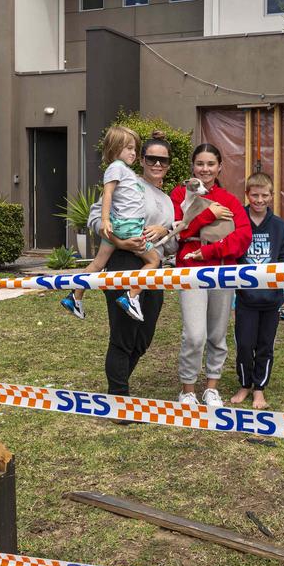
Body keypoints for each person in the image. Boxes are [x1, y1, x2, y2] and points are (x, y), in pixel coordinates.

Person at [86, 131, 177, 399]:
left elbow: (172, 246)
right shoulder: (127, 181)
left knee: (143, 337)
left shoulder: (168, 201)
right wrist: (121, 243)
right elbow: (95, 218)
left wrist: (165, 231)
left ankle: (118, 387)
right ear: (142, 160)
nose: (157, 164)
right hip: (123, 262)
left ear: (169, 164)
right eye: (151, 158)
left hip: (152, 267)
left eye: (163, 160)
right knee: (123, 335)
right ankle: (119, 397)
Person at [170, 144, 251, 407]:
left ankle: (211, 387)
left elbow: (243, 237)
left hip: (221, 270)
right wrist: (208, 215)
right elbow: (179, 233)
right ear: (193, 166)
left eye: (210, 164)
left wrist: (210, 251)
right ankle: (188, 389)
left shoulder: (229, 199)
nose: (205, 169)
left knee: (217, 333)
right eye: (200, 164)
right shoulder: (180, 194)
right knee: (194, 334)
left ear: (219, 167)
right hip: (189, 272)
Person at [62, 126, 159, 322]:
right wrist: (105, 219)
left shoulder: (124, 171)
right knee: (153, 260)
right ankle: (132, 296)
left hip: (117, 225)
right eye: (128, 148)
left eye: (134, 148)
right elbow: (108, 194)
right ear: (114, 149)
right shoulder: (116, 168)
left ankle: (75, 296)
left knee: (98, 262)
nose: (133, 152)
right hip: (128, 226)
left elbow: (126, 194)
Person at [230, 173, 284, 410]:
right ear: (247, 195)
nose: (259, 199)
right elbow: (232, 254)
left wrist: (279, 279)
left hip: (271, 299)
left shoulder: (279, 226)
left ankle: (259, 388)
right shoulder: (238, 221)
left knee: (265, 345)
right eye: (254, 195)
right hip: (245, 298)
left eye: (264, 195)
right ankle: (244, 385)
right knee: (245, 344)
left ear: (271, 196)